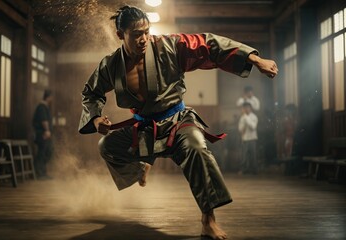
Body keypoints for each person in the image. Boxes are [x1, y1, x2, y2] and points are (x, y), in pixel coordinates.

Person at [78, 5, 278, 239]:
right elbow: (91, 93)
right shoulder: (111, 65)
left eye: (146, 32)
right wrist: (96, 117)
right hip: (144, 128)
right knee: (107, 146)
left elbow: (208, 44)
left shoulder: (168, 46)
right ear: (120, 35)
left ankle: (208, 220)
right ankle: (142, 165)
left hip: (177, 121)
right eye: (136, 34)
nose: (143, 39)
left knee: (197, 147)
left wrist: (254, 59)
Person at [33, 89, 53, 179]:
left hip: (44, 134)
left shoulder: (44, 106)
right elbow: (43, 120)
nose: (52, 99)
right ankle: (39, 173)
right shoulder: (42, 107)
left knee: (47, 152)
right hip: (42, 134)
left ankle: (43, 173)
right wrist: (47, 130)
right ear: (48, 97)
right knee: (42, 153)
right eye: (51, 97)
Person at [238, 102, 258, 175]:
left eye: (247, 107)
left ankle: (254, 170)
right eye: (245, 107)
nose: (246, 109)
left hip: (252, 139)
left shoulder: (254, 117)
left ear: (251, 108)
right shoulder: (242, 118)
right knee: (244, 156)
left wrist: (246, 117)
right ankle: (244, 170)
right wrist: (242, 127)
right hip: (244, 139)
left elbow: (253, 127)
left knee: (253, 155)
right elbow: (240, 129)